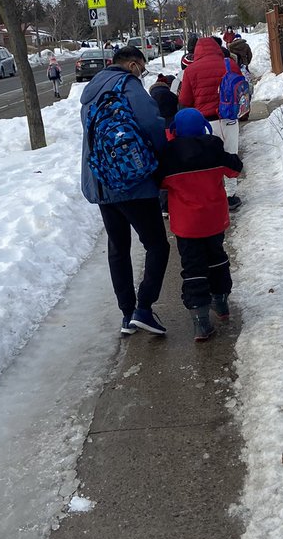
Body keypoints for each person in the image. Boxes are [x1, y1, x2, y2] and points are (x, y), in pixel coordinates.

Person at [80, 45, 171, 336]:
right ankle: (143, 307)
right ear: (132, 65)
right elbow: (152, 124)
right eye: (142, 68)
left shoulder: (91, 92)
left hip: (101, 182)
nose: (142, 74)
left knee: (118, 248)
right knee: (157, 244)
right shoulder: (128, 85)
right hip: (133, 182)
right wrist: (161, 159)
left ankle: (126, 313)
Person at [159, 107, 242, 341]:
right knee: (217, 258)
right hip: (214, 220)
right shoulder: (214, 148)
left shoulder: (169, 156)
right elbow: (235, 169)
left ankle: (201, 322)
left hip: (186, 225)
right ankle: (221, 302)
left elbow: (161, 183)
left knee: (193, 266)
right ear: (203, 127)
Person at [178, 37, 244, 210]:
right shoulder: (230, 63)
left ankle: (213, 194)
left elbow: (185, 100)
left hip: (206, 123)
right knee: (230, 154)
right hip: (229, 118)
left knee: (209, 158)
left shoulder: (191, 71)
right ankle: (230, 196)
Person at [149, 73, 179, 217]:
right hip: (172, 132)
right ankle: (172, 203)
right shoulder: (172, 96)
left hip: (158, 135)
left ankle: (163, 206)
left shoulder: (149, 99)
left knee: (161, 171)